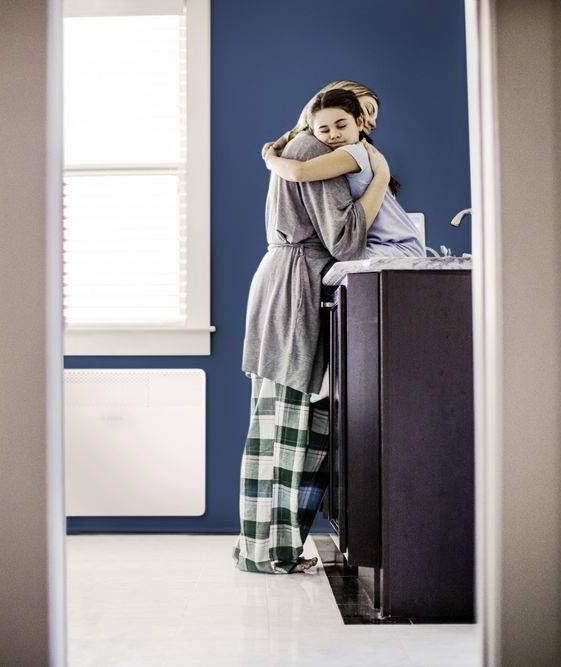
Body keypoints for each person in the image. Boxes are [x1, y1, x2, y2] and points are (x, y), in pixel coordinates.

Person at [232, 82, 393, 575]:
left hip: (284, 282)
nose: (366, 124)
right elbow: (345, 240)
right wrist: (381, 178)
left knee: (283, 423)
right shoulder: (315, 152)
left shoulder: (303, 148)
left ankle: (265, 548)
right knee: (290, 425)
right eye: (360, 112)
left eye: (368, 116)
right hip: (294, 288)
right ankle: (269, 553)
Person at [263, 88, 425, 258]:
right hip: (384, 245)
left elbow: (299, 172)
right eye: (324, 130)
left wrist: (270, 159)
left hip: (399, 247)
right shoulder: (346, 152)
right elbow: (300, 131)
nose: (334, 135)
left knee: (334, 263)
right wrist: (281, 142)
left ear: (359, 122)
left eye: (341, 126)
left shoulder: (352, 153)